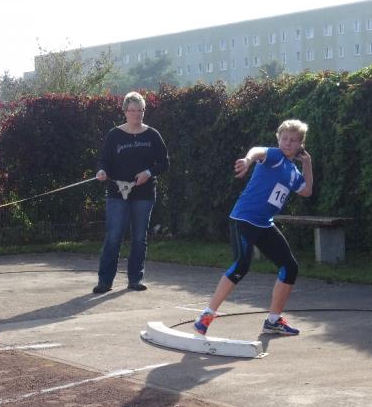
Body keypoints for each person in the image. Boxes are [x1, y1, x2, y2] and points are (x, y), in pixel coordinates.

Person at [193, 119, 313, 336]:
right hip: (244, 219)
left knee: (290, 267)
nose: (288, 143)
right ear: (278, 139)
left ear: (300, 145)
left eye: (293, 140)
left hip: (264, 223)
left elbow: (306, 191)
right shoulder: (275, 156)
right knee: (242, 264)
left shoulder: (293, 171)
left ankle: (273, 321)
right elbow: (258, 151)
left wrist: (307, 163)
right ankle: (206, 315)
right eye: (284, 138)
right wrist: (248, 160)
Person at [93, 91, 169, 293]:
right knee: (114, 236)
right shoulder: (114, 135)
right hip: (117, 193)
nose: (137, 114)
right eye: (132, 110)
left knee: (139, 238)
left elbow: (164, 163)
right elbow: (104, 161)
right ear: (125, 111)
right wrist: (102, 171)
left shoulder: (152, 135)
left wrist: (148, 172)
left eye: (140, 110)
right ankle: (105, 281)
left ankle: (135, 279)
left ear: (144, 111)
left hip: (144, 195)